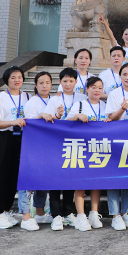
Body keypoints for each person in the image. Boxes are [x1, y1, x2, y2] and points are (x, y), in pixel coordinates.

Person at [40, 68, 86, 230]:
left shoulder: (81, 98)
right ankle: (56, 215)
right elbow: (46, 118)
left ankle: (68, 212)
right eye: (65, 81)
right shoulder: (54, 99)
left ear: (76, 82)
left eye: (71, 81)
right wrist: (56, 116)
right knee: (55, 178)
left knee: (70, 177)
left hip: (75, 142)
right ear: (60, 82)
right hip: (57, 143)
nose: (68, 84)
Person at [0, 66, 34, 230]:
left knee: (14, 177)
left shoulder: (28, 97)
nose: (17, 80)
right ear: (7, 80)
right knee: (1, 176)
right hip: (5, 138)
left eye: (19, 77)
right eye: (13, 77)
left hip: (22, 139)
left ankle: (7, 211)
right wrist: (13, 122)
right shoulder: (0, 98)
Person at [65, 77, 110, 231]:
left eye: (100, 88)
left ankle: (94, 213)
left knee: (96, 183)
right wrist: (76, 117)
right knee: (81, 183)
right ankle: (81, 215)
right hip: (81, 148)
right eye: (93, 87)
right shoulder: (79, 105)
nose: (97, 90)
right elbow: (65, 123)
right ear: (87, 89)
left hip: (99, 148)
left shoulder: (105, 106)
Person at [103, 63, 128, 230]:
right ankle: (115, 214)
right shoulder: (115, 94)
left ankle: (125, 212)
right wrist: (121, 109)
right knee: (114, 176)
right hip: (116, 139)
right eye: (125, 74)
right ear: (120, 76)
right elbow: (111, 118)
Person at [23, 71, 54, 226]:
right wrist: (40, 116)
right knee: (31, 181)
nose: (44, 86)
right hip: (34, 146)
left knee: (44, 179)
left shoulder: (54, 100)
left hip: (49, 146)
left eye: (47, 82)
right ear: (36, 85)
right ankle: (27, 215)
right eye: (41, 83)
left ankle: (40, 213)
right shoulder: (33, 102)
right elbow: (29, 124)